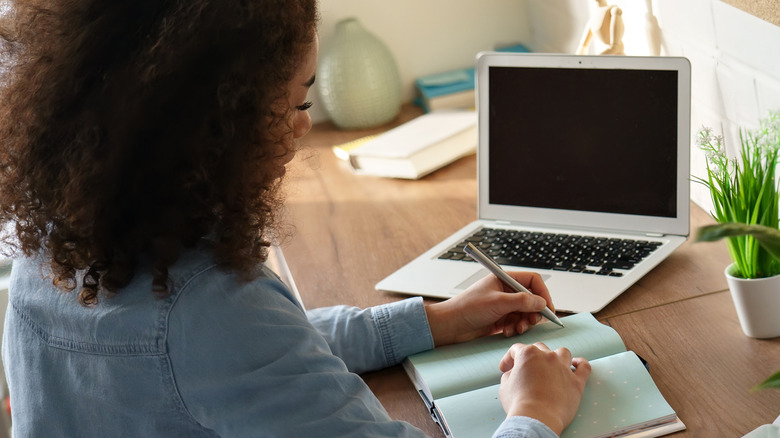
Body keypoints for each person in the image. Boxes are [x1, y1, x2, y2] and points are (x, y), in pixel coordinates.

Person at [0, 1, 590, 437]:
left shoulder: (56, 243)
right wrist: (536, 410)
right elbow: (233, 341)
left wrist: (434, 321)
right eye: (298, 101)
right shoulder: (210, 307)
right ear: (216, 123)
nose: (304, 125)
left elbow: (258, 353)